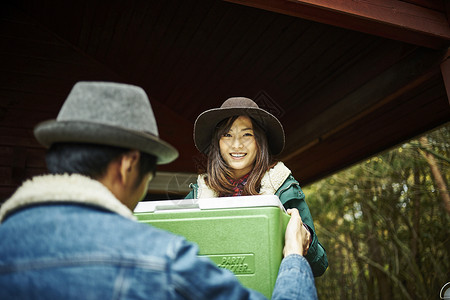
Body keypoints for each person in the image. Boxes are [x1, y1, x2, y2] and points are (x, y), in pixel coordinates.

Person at [0, 82, 318, 299]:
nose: (236, 145)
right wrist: (293, 256)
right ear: (128, 166)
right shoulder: (162, 259)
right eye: (150, 172)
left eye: (246, 135)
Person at [186, 97, 328, 277]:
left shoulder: (282, 185)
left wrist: (305, 238)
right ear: (217, 143)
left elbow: (320, 265)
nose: (237, 144)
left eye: (247, 134)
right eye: (227, 135)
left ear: (259, 142)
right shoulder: (200, 191)